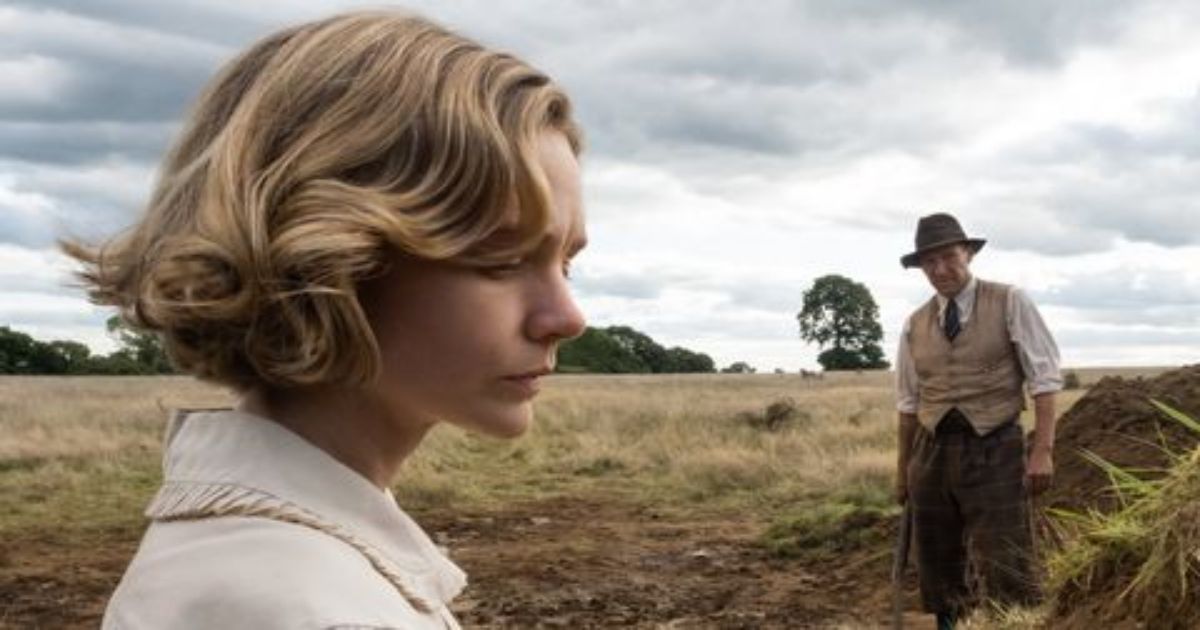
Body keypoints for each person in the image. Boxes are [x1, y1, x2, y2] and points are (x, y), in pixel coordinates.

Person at [63, 11, 587, 630]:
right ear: (327, 256)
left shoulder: (274, 555)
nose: (568, 317)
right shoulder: (304, 607)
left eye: (567, 264)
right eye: (499, 260)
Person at [893, 213, 1061, 630]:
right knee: (937, 559)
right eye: (929, 263)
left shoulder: (1009, 301)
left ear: (967, 253)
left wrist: (1042, 451)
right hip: (931, 452)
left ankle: (1016, 623)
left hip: (995, 446)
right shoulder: (914, 324)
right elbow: (909, 404)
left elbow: (1044, 380)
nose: (940, 270)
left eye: (949, 257)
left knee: (1007, 555)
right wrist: (904, 472)